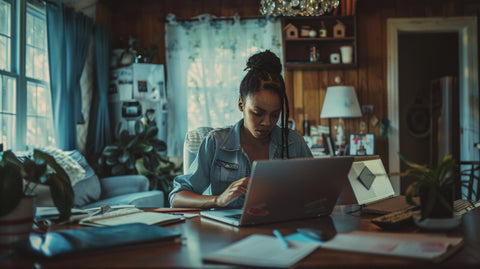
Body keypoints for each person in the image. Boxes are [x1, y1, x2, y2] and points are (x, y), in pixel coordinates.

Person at [169, 50, 313, 208]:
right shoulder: (215, 142)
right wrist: (218, 200)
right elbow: (177, 197)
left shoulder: (293, 142)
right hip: (227, 230)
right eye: (258, 113)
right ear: (241, 104)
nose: (266, 122)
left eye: (274, 115)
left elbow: (318, 190)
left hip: (280, 227)